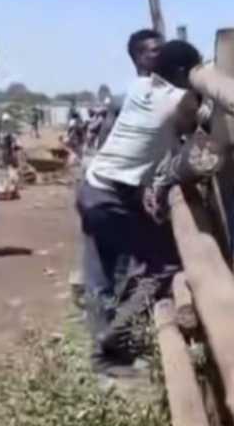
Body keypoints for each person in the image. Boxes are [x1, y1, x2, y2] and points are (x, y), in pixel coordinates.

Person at [76, 39, 201, 376]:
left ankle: (106, 351)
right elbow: (196, 124)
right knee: (165, 263)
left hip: (94, 186)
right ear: (182, 73)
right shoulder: (179, 100)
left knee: (103, 272)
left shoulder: (138, 86)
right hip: (112, 197)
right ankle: (114, 337)